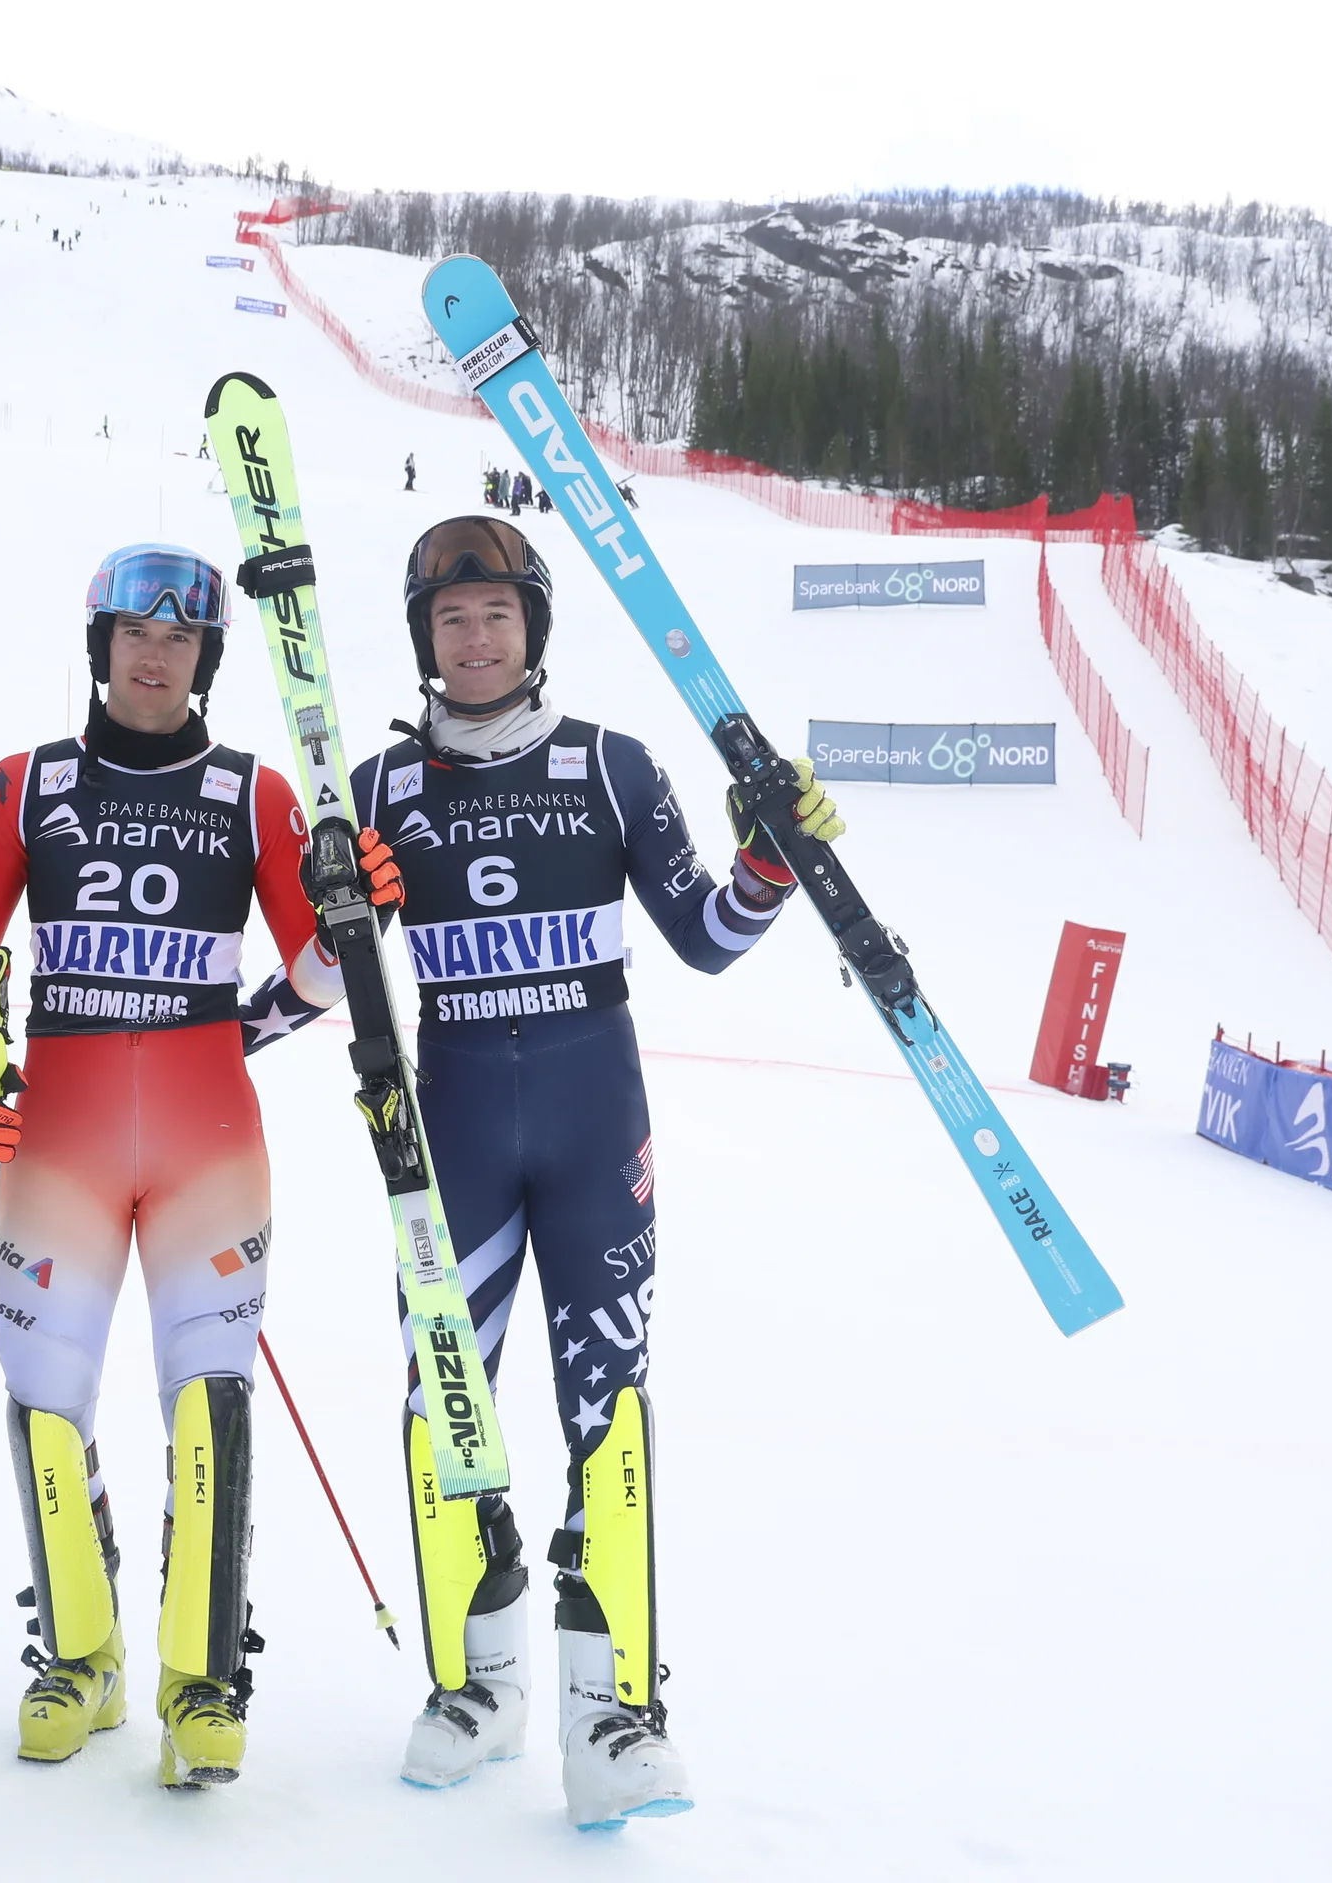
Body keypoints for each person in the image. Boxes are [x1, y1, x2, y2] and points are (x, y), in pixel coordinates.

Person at [350, 515, 843, 1828]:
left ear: (534, 629)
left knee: (608, 1410)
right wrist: (339, 903)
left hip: (591, 1120)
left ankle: (617, 1711)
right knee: (440, 1401)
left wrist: (766, 864)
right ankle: (476, 1680)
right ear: (424, 639)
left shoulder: (611, 768)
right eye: (451, 622)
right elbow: (312, 978)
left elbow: (706, 936)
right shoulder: (381, 791)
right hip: (450, 1128)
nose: (475, 639)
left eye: (496, 616)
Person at [0, 544, 345, 1792]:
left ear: (204, 660)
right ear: (99, 646)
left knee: (209, 1403)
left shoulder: (253, 792)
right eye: (134, 636)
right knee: (46, 1408)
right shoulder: (22, 783)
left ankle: (203, 1681)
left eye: (182, 641)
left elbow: (317, 975)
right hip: (60, 1141)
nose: (156, 656)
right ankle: (79, 1658)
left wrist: (350, 913)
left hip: (210, 1141)